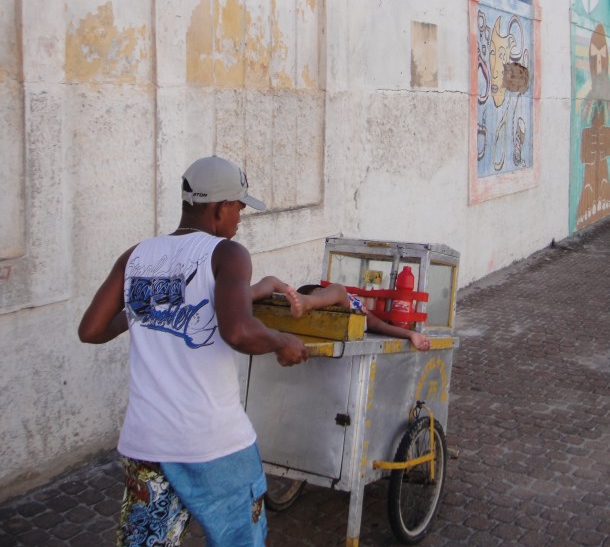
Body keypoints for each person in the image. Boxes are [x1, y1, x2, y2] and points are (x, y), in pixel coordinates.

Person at [78, 155, 309, 547]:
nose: (240, 218)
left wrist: (143, 311)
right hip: (213, 443)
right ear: (219, 207)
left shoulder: (136, 256)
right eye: (239, 207)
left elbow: (92, 329)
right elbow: (238, 331)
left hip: (146, 443)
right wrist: (281, 341)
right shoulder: (227, 254)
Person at [284, 283, 432, 351]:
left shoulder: (355, 305)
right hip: (336, 320)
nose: (320, 294)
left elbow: (380, 326)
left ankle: (306, 301)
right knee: (339, 289)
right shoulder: (334, 299)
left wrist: (411, 334)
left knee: (338, 289)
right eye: (314, 294)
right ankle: (305, 301)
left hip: (348, 317)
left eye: (319, 291)